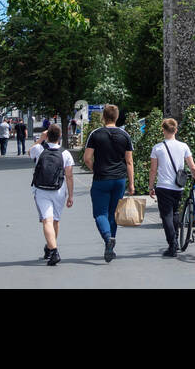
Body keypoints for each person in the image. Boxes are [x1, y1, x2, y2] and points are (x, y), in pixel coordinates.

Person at [82, 103, 134, 262]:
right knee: (113, 213)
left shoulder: (96, 134)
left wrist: (94, 169)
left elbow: (87, 158)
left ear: (103, 117)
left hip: (101, 178)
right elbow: (129, 161)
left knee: (100, 213)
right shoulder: (124, 135)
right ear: (117, 117)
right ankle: (110, 245)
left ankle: (107, 239)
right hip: (119, 179)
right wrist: (131, 184)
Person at [148, 117, 195, 258]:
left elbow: (153, 170)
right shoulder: (184, 147)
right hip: (178, 187)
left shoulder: (157, 148)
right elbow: (192, 166)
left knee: (166, 216)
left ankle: (172, 245)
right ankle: (174, 241)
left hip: (163, 186)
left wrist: (151, 186)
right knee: (175, 213)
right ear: (175, 130)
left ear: (163, 130)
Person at [30, 124, 75, 266]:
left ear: (48, 136)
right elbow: (69, 176)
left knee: (46, 221)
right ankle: (51, 247)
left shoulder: (39, 149)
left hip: (41, 189)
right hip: (59, 190)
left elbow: (29, 152)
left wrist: (41, 139)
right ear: (60, 137)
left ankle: (53, 249)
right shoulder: (65, 153)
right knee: (55, 221)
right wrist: (71, 196)